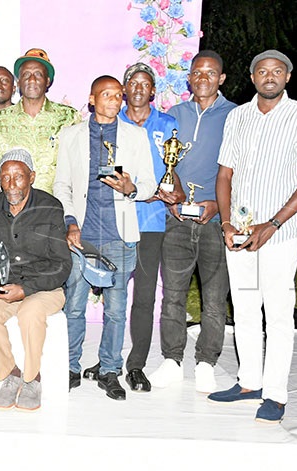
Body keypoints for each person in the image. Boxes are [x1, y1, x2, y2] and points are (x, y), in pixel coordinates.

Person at [210, 50, 297, 423]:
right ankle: (249, 382)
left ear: (288, 77)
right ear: (252, 77)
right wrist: (227, 223)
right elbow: (225, 175)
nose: (270, 76)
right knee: (244, 308)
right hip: (241, 234)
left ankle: (275, 393)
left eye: (278, 71)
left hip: (280, 235)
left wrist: (273, 224)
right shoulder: (238, 117)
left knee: (276, 314)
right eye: (263, 71)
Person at [53, 75, 156, 401]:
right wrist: (70, 223)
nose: (114, 100)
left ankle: (109, 370)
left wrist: (132, 189)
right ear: (92, 98)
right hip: (81, 236)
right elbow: (62, 186)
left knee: (115, 309)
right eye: (106, 94)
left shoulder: (135, 136)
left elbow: (151, 183)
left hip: (119, 235)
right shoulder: (71, 136)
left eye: (118, 95)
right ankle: (69, 367)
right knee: (74, 306)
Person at [148, 50, 237, 393]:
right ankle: (172, 360)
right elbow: (162, 164)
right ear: (189, 78)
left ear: (222, 78)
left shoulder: (235, 116)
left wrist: (218, 205)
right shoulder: (174, 115)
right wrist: (174, 196)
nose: (203, 78)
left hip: (217, 219)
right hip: (177, 217)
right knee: (173, 293)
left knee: (214, 297)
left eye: (210, 73)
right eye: (197, 73)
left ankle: (206, 363)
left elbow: (240, 170)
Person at [0, 149, 71, 411]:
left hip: (44, 287)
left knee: (30, 312)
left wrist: (26, 288)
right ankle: (10, 374)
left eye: (18, 177)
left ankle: (32, 379)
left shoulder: (50, 207)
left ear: (32, 177)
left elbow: (62, 265)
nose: (11, 184)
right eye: (5, 177)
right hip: (6, 287)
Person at [116, 62, 185, 392]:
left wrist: (170, 193)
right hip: (117, 219)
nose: (139, 88)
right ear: (125, 89)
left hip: (153, 221)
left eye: (146, 83)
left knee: (144, 296)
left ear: (153, 91)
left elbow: (172, 173)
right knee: (114, 293)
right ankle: (107, 360)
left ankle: (137, 365)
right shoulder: (111, 121)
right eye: (133, 82)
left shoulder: (167, 125)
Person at [0, 48, 81, 192]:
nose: (31, 79)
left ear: (47, 81)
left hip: (55, 208)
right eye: (26, 75)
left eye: (38, 74)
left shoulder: (68, 117)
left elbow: (79, 167)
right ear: (18, 82)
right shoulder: (1, 119)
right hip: (15, 209)